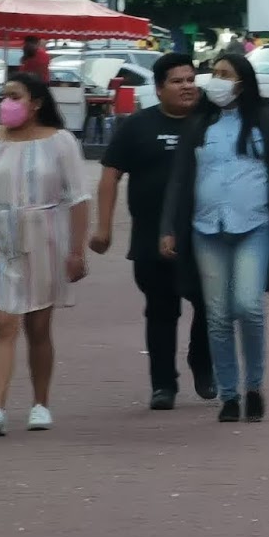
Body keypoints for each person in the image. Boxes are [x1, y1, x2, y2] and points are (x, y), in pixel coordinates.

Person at [159, 53, 269, 423]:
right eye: (213, 73)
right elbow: (179, 179)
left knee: (248, 305)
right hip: (206, 229)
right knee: (217, 316)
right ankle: (229, 394)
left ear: (241, 83)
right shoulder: (200, 124)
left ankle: (254, 386)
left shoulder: (263, 121)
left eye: (224, 74)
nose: (216, 80)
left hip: (254, 227)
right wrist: (167, 227)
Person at [0, 72, 92, 437]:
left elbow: (78, 198)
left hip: (45, 238)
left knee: (39, 326)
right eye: (4, 96)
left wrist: (77, 250)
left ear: (36, 103)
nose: (7, 103)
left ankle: (40, 402)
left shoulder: (61, 142)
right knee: (2, 322)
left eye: (15, 96)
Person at [92, 52, 214, 410]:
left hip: (204, 236)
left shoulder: (211, 123)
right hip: (149, 240)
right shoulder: (137, 126)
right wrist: (103, 228)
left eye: (191, 79)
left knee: (211, 305)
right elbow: (110, 175)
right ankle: (163, 385)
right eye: (178, 81)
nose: (188, 86)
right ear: (159, 89)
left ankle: (202, 363)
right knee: (161, 311)